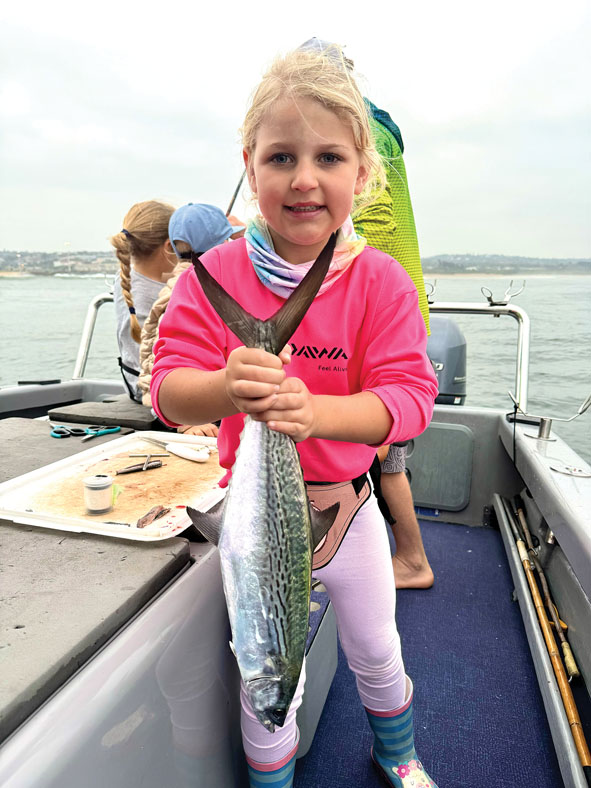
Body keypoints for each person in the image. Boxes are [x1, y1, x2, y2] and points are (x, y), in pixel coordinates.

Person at [151, 46, 439, 788]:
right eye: (281, 157)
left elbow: (409, 400)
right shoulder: (211, 277)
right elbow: (168, 391)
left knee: (376, 648)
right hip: (250, 523)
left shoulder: (379, 282)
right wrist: (227, 389)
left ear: (362, 173)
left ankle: (398, 754)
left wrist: (314, 412)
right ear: (250, 167)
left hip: (348, 512)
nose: (304, 178)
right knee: (270, 683)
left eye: (328, 157)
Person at [300, 37, 434, 590]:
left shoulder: (359, 134)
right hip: (397, 300)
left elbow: (367, 226)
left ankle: (412, 559)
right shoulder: (379, 129)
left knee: (385, 453)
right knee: (378, 451)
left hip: (375, 310)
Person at [137, 202, 244, 436]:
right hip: (182, 412)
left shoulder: (181, 281)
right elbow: (162, 358)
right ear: (223, 244)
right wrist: (187, 422)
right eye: (228, 239)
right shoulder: (193, 287)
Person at [110, 200, 177, 401]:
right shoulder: (145, 297)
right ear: (169, 246)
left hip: (145, 382)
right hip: (153, 391)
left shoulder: (129, 277)